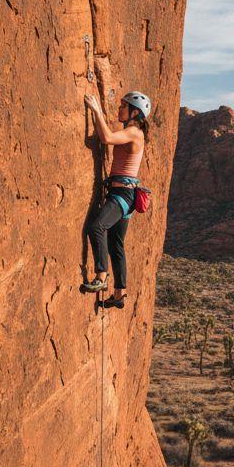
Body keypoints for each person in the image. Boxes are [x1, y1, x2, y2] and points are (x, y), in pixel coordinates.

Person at [81, 90, 150, 307]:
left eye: (123, 106)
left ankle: (102, 277)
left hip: (122, 195)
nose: (119, 109)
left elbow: (107, 138)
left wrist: (96, 110)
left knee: (97, 227)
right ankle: (120, 294)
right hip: (126, 195)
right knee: (115, 244)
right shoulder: (134, 132)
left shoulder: (134, 132)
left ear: (134, 112)